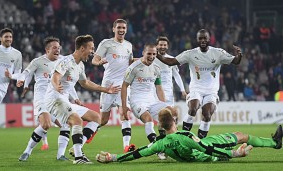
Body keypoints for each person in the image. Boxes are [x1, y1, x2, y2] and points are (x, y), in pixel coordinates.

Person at [96, 108, 283, 163]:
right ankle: (274, 143)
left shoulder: (159, 143)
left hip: (197, 154)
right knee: (241, 135)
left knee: (237, 138)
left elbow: (139, 153)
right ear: (174, 121)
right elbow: (205, 148)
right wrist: (232, 154)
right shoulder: (185, 136)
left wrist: (113, 158)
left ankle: (272, 142)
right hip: (205, 149)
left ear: (160, 125)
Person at [45, 35, 120, 164]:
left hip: (64, 100)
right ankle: (79, 157)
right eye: (91, 48)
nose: (93, 52)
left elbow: (85, 83)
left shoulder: (80, 66)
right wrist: (56, 85)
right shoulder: (66, 61)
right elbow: (55, 76)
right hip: (54, 99)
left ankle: (76, 148)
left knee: (96, 118)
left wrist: (105, 89)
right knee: (77, 121)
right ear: (82, 48)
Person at [156, 29, 243, 138]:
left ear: (209, 39)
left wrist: (239, 56)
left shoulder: (218, 53)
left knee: (207, 115)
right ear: (197, 40)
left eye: (205, 38)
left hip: (211, 91)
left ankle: (200, 143)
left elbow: (235, 61)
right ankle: (184, 137)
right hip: (196, 89)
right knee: (193, 108)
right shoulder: (190, 54)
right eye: (200, 38)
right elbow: (171, 61)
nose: (202, 40)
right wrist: (157, 54)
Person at [17, 37, 71, 161]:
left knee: (66, 124)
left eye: (59, 47)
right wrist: (21, 79)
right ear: (47, 50)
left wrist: (76, 98)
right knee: (46, 124)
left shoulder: (63, 61)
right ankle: (27, 151)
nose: (58, 50)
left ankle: (60, 155)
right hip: (42, 98)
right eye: (54, 48)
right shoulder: (38, 61)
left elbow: (69, 81)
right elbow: (26, 72)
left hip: (57, 98)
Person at [121, 44, 178, 160]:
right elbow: (124, 86)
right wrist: (124, 106)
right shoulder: (134, 68)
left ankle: (168, 142)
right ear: (143, 53)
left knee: (173, 112)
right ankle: (157, 149)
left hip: (152, 100)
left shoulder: (156, 68)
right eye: (149, 54)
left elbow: (159, 88)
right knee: (148, 119)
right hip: (137, 101)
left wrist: (164, 106)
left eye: (154, 54)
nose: (151, 56)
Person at [91, 18, 135, 152]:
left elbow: (131, 62)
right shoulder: (106, 43)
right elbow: (94, 59)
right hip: (109, 86)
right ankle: (86, 135)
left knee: (125, 114)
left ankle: (126, 146)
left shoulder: (129, 45)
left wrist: (146, 60)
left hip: (123, 85)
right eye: (119, 28)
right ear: (113, 29)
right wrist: (98, 62)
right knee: (103, 120)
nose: (121, 30)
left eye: (123, 28)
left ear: (126, 30)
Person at [154, 36, 187, 136]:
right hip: (156, 93)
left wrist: (182, 90)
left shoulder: (171, 59)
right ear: (157, 46)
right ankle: (162, 143)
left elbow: (176, 75)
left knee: (172, 116)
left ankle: (174, 138)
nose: (162, 46)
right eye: (161, 45)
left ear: (167, 46)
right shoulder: (152, 59)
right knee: (161, 118)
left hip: (168, 93)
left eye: (164, 45)